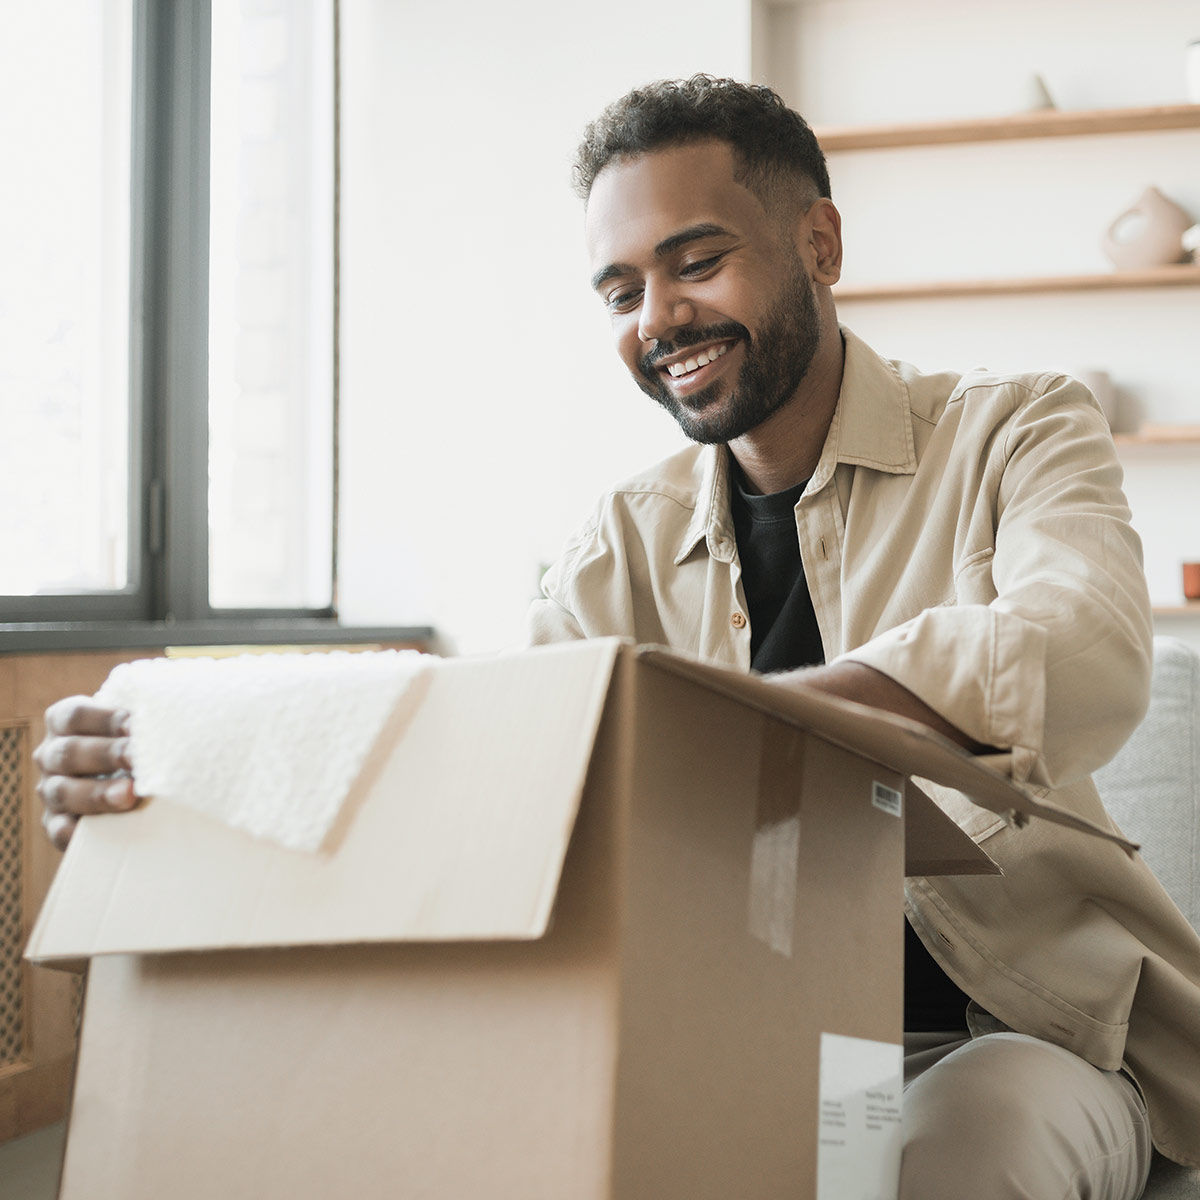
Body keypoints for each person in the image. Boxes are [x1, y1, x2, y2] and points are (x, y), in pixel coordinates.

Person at [36, 76, 1200, 1198]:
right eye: (620, 290)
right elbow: (495, 765)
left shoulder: (1017, 426)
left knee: (953, 1157)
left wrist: (764, 729)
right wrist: (175, 769)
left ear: (821, 247)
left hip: (1029, 1033)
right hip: (747, 1035)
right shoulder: (618, 541)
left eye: (697, 262)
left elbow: (1081, 646)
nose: (660, 319)